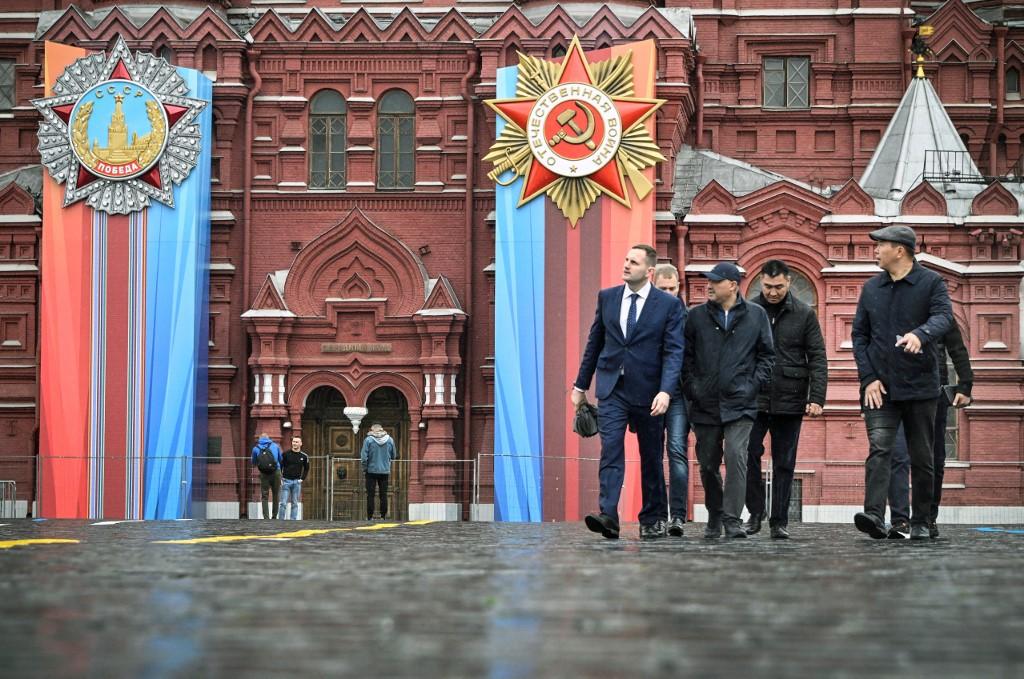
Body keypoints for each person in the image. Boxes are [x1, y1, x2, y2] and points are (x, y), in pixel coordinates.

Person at [572, 244, 685, 540]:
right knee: (610, 449)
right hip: (612, 389)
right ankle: (608, 514)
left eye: (633, 262)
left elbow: (674, 351)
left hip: (650, 392)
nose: (626, 265)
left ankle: (653, 517)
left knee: (650, 455)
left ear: (648, 271)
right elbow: (594, 344)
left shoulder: (668, 305)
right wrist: (580, 386)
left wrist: (666, 391)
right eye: (625, 260)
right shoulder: (607, 297)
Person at [852, 225, 953, 540]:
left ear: (900, 250)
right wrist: (868, 378)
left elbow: (943, 317)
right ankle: (874, 516)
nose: (876, 251)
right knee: (879, 449)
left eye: (880, 245)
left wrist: (919, 334)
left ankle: (921, 520)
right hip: (880, 388)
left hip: (921, 386)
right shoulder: (871, 288)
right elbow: (859, 335)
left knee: (922, 454)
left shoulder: (931, 283)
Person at [681, 262, 775, 539]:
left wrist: (752, 385)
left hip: (741, 403)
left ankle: (732, 518)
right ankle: (715, 512)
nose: (708, 285)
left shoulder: (756, 315)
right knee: (708, 464)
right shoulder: (695, 316)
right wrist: (692, 387)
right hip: (704, 403)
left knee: (737, 457)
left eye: (715, 281)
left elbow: (768, 356)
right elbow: (685, 357)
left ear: (732, 285)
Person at [743, 260, 827, 539]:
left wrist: (816, 397)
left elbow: (817, 357)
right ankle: (755, 512)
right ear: (760, 282)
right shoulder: (750, 311)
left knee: (784, 461)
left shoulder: (804, 314)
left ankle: (779, 522)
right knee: (747, 454)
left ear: (789, 283)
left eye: (778, 286)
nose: (773, 292)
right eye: (768, 286)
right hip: (754, 397)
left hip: (791, 397)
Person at [887, 322, 973, 539]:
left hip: (934, 394)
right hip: (898, 392)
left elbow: (957, 349)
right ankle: (899, 521)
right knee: (897, 454)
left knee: (934, 458)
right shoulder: (894, 308)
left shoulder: (941, 314)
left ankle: (927, 518)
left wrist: (965, 385)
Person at [653, 263, 690, 537]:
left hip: (678, 395)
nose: (668, 293)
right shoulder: (644, 315)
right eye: (662, 288)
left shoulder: (689, 317)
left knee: (677, 452)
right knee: (652, 456)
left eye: (672, 288)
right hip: (650, 393)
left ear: (679, 287)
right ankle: (655, 515)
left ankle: (677, 516)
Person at [360, 423, 397, 521]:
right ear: (382, 430)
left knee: (370, 494)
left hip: (371, 471)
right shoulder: (390, 440)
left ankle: (370, 516)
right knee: (383, 494)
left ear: (372, 430)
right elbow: (394, 455)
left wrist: (365, 468)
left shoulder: (368, 440)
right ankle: (383, 516)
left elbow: (364, 457)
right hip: (385, 471)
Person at [251, 432, 283, 520]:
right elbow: (280, 459)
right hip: (276, 472)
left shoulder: (256, 448)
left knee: (264, 495)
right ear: (268, 438)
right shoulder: (275, 446)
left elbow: (253, 462)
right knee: (276, 494)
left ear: (260, 439)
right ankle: (274, 516)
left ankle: (266, 517)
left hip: (264, 474)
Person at [278, 435, 310, 520]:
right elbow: (280, 466)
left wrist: (302, 479)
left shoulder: (304, 456)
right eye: (293, 442)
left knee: (295, 503)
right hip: (286, 481)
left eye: (296, 442)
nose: (294, 443)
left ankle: (293, 521)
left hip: (297, 482)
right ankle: (280, 520)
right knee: (283, 503)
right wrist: (281, 478)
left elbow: (306, 469)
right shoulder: (285, 454)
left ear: (300, 443)